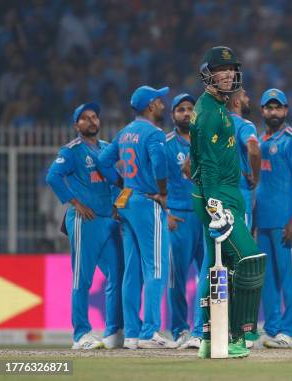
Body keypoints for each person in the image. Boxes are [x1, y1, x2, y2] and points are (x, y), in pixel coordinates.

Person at [189, 46, 266, 359]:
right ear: (209, 74)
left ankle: (209, 338)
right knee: (249, 260)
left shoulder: (217, 106)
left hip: (222, 192)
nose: (228, 74)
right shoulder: (209, 113)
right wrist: (215, 207)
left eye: (232, 69)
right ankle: (237, 336)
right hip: (217, 195)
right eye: (221, 69)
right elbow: (206, 165)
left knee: (214, 266)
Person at [98, 85, 176, 349]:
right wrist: (163, 192)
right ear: (150, 106)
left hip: (127, 201)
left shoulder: (124, 132)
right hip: (147, 201)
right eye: (160, 101)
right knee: (156, 267)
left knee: (131, 271)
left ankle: (131, 333)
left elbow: (102, 161)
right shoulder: (154, 133)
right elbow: (159, 164)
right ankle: (150, 332)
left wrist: (122, 182)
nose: (163, 105)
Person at [46, 103, 124, 350]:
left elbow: (115, 182)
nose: (92, 121)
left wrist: (116, 206)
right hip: (85, 221)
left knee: (117, 274)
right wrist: (75, 202)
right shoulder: (71, 151)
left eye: (94, 117)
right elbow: (53, 176)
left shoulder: (106, 149)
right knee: (82, 278)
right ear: (76, 125)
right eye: (85, 118)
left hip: (107, 220)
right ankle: (81, 334)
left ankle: (113, 331)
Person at [255, 88, 292, 349]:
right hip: (263, 222)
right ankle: (273, 328)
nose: (273, 112)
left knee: (289, 277)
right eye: (269, 107)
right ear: (262, 111)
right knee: (267, 279)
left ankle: (290, 332)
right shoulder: (258, 141)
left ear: (286, 111)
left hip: (284, 222)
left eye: (278, 107)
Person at [164, 93, 205, 349]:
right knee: (177, 279)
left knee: (208, 277)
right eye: (181, 109)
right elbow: (154, 180)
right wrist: (164, 212)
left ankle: (202, 330)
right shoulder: (165, 144)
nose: (187, 113)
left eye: (190, 109)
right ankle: (180, 330)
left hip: (204, 216)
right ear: (173, 115)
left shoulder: (203, 141)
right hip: (177, 218)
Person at [227, 88, 261, 230]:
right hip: (239, 193)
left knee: (216, 249)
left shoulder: (211, 125)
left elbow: (188, 165)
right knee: (241, 248)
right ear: (236, 102)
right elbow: (253, 150)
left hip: (214, 195)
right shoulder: (245, 125)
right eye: (244, 96)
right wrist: (255, 177)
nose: (248, 99)